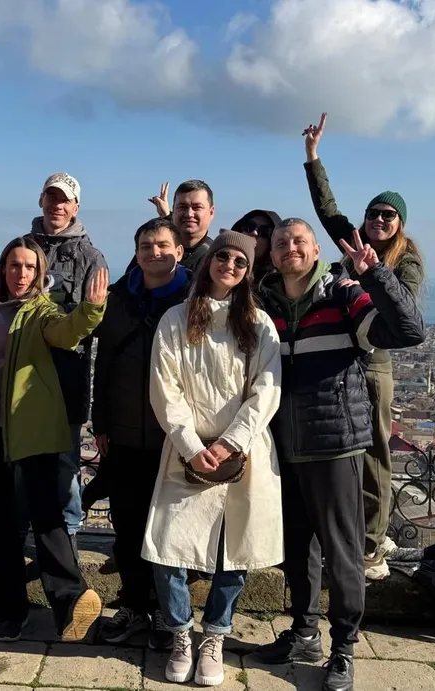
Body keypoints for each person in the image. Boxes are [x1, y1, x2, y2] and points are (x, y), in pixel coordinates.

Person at [252, 220, 424, 691]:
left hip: (333, 444)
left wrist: (376, 276)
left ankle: (344, 648)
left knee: (343, 552)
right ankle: (304, 632)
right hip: (282, 446)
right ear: (273, 254)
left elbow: (408, 331)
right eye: (281, 243)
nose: (289, 248)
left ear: (315, 251)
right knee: (296, 549)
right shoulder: (265, 304)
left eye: (299, 241)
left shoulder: (343, 295)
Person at [0, 237, 109, 643]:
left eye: (30, 267)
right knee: (3, 524)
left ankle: (71, 603)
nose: (21, 274)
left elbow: (67, 332)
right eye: (15, 265)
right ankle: (11, 612)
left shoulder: (41, 311)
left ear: (40, 273)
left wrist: (91, 310)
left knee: (47, 515)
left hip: (31, 428)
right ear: (3, 268)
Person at [143, 232, 282, 687]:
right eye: (223, 255)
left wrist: (231, 442)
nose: (230, 265)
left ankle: (215, 635)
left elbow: (267, 390)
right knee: (167, 549)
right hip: (186, 450)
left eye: (241, 261)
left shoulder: (258, 324)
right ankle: (181, 632)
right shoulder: (175, 319)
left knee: (233, 552)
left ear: (248, 273)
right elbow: (165, 388)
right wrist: (191, 445)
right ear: (209, 261)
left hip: (244, 452)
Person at [303, 112, 425, 580]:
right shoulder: (352, 242)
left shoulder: (405, 261)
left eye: (387, 215)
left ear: (400, 223)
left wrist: (371, 273)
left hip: (373, 364)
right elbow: (328, 210)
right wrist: (313, 156)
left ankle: (372, 545)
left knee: (374, 453)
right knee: (339, 452)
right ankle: (347, 536)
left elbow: (404, 314)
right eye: (373, 212)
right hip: (339, 360)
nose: (377, 219)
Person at [90, 218, 190, 650]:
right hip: (126, 433)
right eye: (146, 245)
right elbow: (104, 364)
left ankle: (168, 612)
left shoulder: (194, 298)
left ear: (179, 251)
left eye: (163, 245)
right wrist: (101, 422)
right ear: (136, 252)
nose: (154, 252)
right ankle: (134, 604)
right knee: (128, 526)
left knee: (170, 529)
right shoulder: (118, 300)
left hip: (177, 436)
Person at [26, 173, 109, 544]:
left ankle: (69, 535)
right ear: (41, 200)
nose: (57, 205)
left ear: (76, 207)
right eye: (51, 197)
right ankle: (27, 531)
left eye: (64, 200)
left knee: (65, 461)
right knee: (22, 459)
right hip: (24, 371)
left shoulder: (91, 257)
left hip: (68, 374)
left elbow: (96, 319)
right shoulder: (23, 247)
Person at [133, 180, 216, 277]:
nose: (189, 214)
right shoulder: (154, 252)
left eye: (197, 207)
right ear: (174, 210)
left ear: (211, 212)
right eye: (182, 207)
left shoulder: (218, 258)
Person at [231, 210, 282, 287]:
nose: (254, 232)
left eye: (265, 232)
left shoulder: (277, 286)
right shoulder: (218, 267)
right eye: (249, 226)